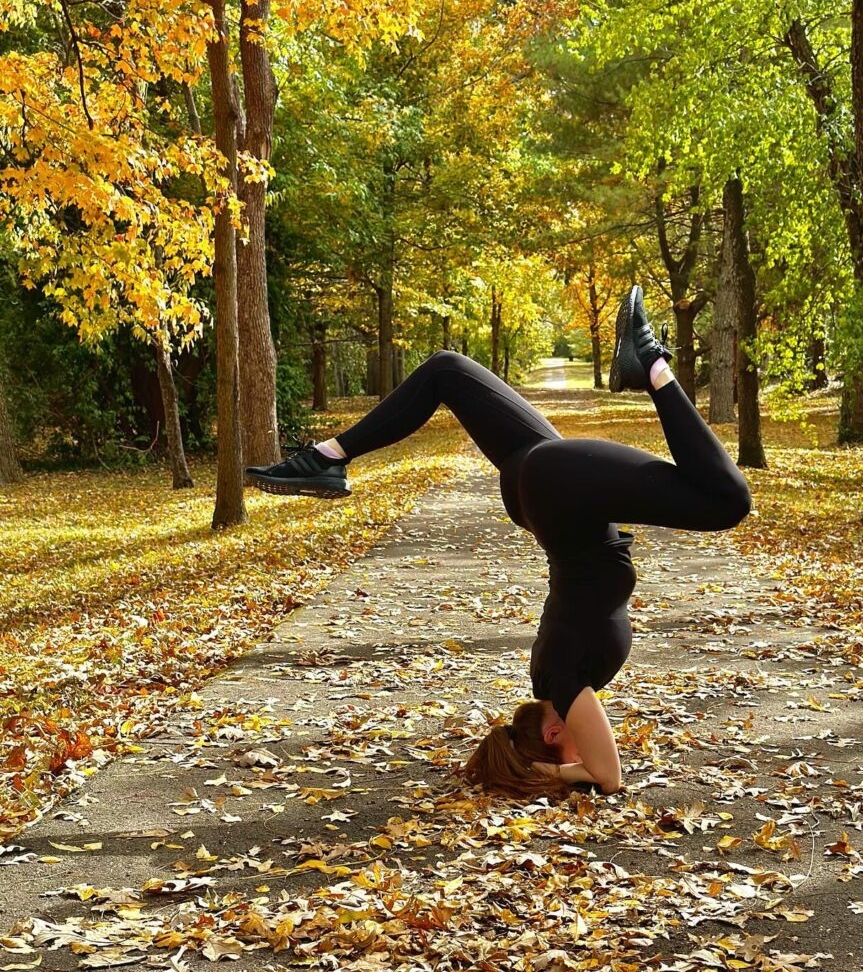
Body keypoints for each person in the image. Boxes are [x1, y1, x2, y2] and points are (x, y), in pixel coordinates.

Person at [246, 286, 752, 797]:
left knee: (726, 502)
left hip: (560, 493)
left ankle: (650, 364)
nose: (588, 745)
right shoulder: (549, 678)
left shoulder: (563, 685)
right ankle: (326, 457)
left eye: (568, 746)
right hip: (541, 493)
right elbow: (594, 764)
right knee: (446, 370)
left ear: (554, 733)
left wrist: (551, 772)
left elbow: (609, 778)